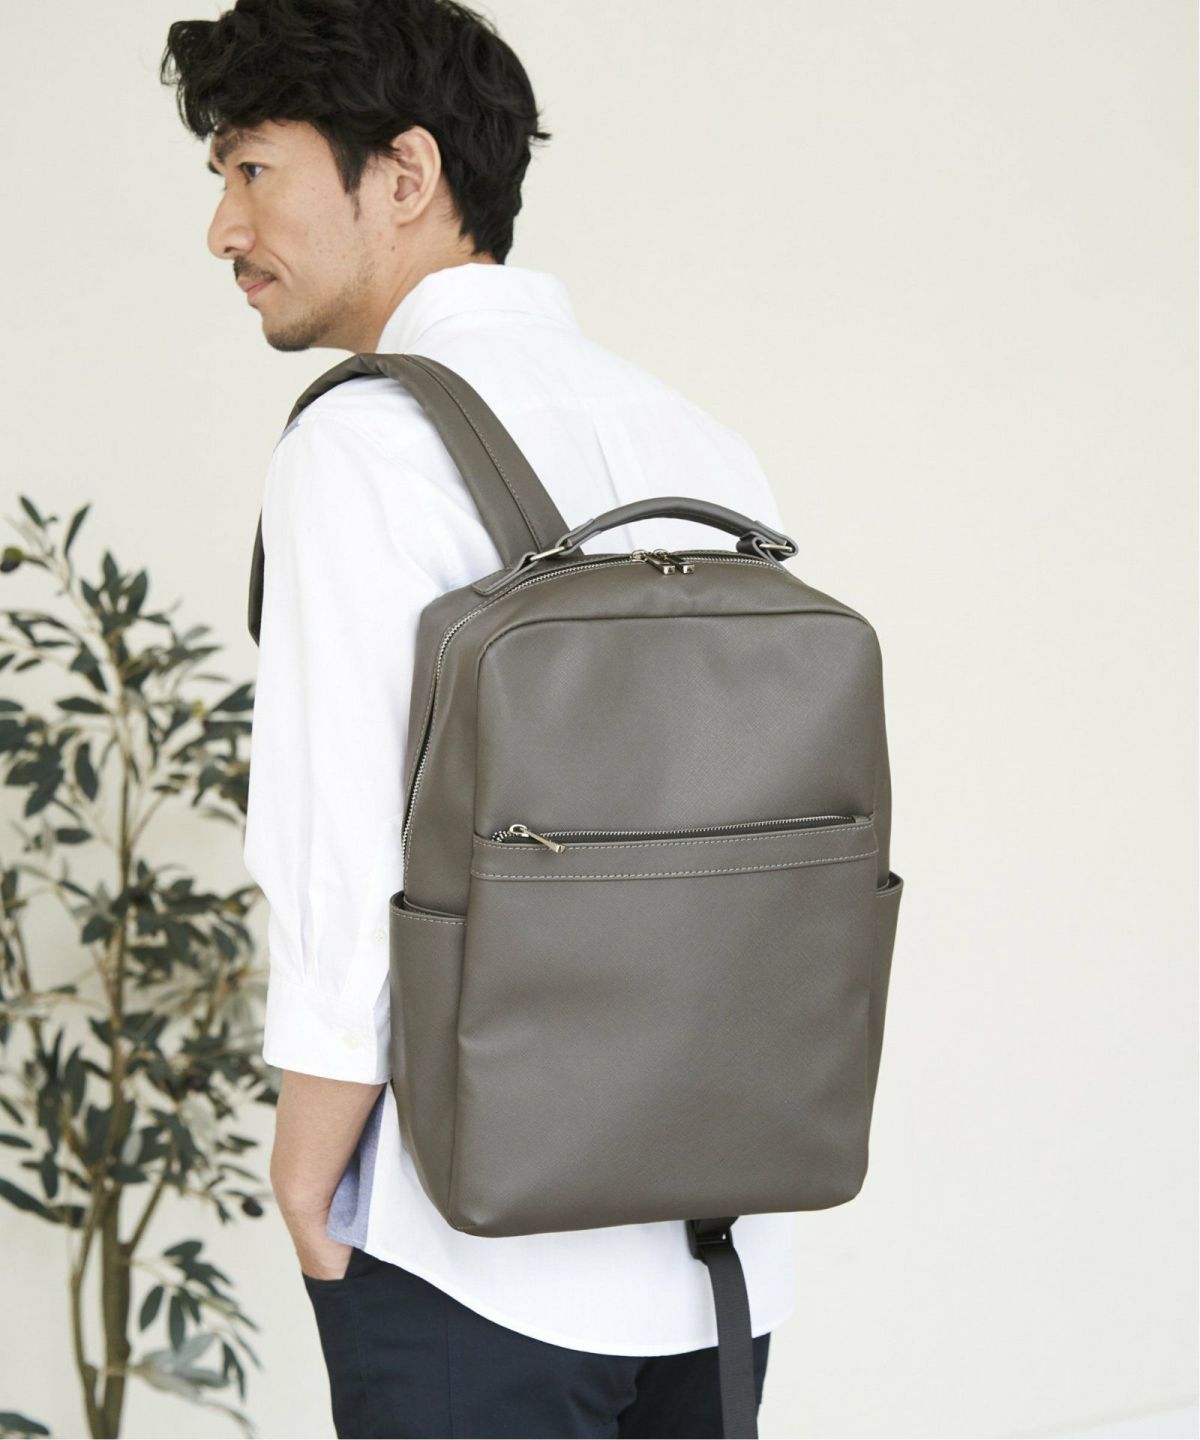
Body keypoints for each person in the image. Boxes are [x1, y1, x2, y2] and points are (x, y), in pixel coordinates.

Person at [161, 2, 795, 1435]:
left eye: (252, 169)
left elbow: (344, 842)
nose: (222, 229)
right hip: (724, 1236)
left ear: (404, 174)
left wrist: (308, 1158)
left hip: (470, 1244)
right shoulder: (695, 436)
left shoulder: (365, 441)